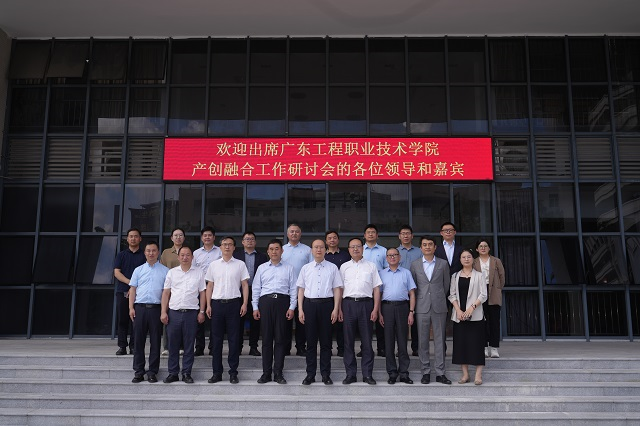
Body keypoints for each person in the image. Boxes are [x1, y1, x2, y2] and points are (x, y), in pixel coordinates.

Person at [297, 239, 343, 385]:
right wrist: (300, 309)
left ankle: (325, 374)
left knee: (326, 342)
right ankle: (310, 374)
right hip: (309, 305)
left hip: (327, 306)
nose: (318, 250)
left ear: (325, 249)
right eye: (316, 247)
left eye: (321, 247)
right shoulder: (305, 268)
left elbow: (337, 289)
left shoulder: (333, 268)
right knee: (310, 343)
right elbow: (301, 290)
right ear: (311, 250)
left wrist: (336, 308)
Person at [205, 236, 250, 384]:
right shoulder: (213, 265)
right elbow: (209, 286)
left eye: (230, 244)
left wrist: (244, 303)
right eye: (224, 244)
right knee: (216, 340)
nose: (227, 247)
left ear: (234, 248)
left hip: (234, 304)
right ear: (220, 247)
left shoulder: (240, 264)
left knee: (234, 339)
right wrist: (208, 305)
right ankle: (216, 373)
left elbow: (244, 285)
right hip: (217, 304)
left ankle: (233, 372)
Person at [252, 239, 297, 384]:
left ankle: (278, 373)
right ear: (268, 251)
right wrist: (255, 307)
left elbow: (293, 289)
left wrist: (292, 307)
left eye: (277, 248)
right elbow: (256, 288)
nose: (274, 251)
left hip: (283, 303)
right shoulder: (262, 268)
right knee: (266, 340)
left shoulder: (289, 268)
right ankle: (266, 373)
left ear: (282, 251)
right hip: (265, 303)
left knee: (280, 339)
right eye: (271, 249)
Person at [161, 246, 206, 384]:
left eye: (188, 255)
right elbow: (166, 293)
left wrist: (202, 311)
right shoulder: (172, 272)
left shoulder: (199, 272)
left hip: (191, 313)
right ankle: (173, 373)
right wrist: (163, 311)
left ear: (192, 257)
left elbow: (202, 293)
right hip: (174, 312)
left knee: (189, 345)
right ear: (178, 257)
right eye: (182, 255)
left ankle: (186, 373)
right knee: (173, 345)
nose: (185, 257)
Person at [339, 237, 382, 385]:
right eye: (352, 247)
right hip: (348, 304)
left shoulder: (371, 266)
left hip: (366, 305)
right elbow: (339, 289)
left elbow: (376, 289)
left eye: (358, 246)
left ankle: (367, 374)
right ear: (349, 250)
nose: (355, 249)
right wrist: (339, 308)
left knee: (367, 341)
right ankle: (350, 374)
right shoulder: (344, 267)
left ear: (363, 249)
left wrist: (375, 309)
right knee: (348, 341)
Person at [410, 236, 452, 385]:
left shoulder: (443, 264)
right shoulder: (414, 265)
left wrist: (438, 296)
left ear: (435, 247)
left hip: (439, 305)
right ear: (421, 248)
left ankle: (440, 373)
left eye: (430, 244)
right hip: (421, 306)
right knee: (423, 341)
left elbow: (446, 285)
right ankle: (425, 372)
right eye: (424, 245)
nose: (427, 247)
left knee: (440, 340)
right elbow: (413, 286)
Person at [128, 241, 169, 383]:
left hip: (156, 309)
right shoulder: (138, 270)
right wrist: (131, 308)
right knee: (138, 341)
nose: (151, 253)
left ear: (158, 252)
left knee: (155, 341)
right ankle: (138, 371)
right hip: (140, 308)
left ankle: (152, 372)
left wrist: (164, 311)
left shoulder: (165, 271)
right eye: (148, 251)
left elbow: (166, 293)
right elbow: (133, 289)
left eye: (154, 250)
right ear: (145, 253)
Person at [449, 249, 487, 385]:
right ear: (460, 260)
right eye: (463, 257)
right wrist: (458, 310)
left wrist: (472, 308)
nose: (466, 259)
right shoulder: (455, 276)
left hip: (475, 315)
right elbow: (452, 295)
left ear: (473, 259)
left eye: (469, 257)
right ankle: (465, 375)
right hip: (459, 316)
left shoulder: (480, 275)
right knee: (461, 345)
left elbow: (483, 295)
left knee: (477, 344)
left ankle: (478, 375)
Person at [379, 247, 416, 384]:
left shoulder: (406, 273)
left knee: (402, 341)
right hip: (387, 307)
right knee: (388, 342)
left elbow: (412, 294)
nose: (392, 257)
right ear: (386, 258)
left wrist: (411, 312)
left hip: (402, 308)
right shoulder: (381, 273)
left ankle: (404, 373)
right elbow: (378, 294)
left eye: (395, 255)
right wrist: (379, 313)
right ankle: (392, 373)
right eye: (390, 255)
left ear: (399, 257)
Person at [234, 231, 269, 356]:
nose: (249, 241)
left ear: (255, 242)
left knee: (255, 320)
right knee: (239, 320)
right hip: (239, 291)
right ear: (242, 242)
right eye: (247, 239)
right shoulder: (236, 255)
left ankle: (253, 347)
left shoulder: (262, 257)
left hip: (256, 291)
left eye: (252, 239)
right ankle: (238, 347)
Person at [113, 228, 145, 356]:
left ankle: (133, 346)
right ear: (127, 239)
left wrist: (135, 287)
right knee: (122, 320)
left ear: (140, 239)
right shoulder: (121, 255)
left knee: (135, 321)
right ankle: (122, 346)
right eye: (131, 236)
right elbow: (117, 272)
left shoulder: (144, 255)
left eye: (136, 236)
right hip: (122, 291)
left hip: (139, 293)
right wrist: (131, 283)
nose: (133, 238)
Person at [282, 223, 313, 356]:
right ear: (287, 234)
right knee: (286, 320)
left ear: (300, 234)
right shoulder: (281, 250)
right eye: (292, 231)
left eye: (297, 231)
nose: (294, 234)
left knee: (302, 320)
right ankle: (285, 347)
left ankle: (301, 347)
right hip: (285, 291)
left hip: (302, 290)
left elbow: (312, 269)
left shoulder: (307, 250)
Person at [473, 238, 505, 359]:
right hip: (479, 293)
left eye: (485, 246)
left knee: (494, 321)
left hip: (494, 292)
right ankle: (484, 347)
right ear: (477, 249)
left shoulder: (496, 261)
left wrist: (497, 288)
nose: (483, 248)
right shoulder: (474, 262)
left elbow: (502, 277)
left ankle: (494, 347)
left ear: (489, 248)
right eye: (480, 246)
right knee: (482, 321)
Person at [193, 226, 221, 356]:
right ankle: (199, 347)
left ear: (214, 237)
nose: (207, 237)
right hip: (200, 288)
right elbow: (193, 271)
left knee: (214, 319)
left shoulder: (220, 252)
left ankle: (212, 347)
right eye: (205, 235)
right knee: (200, 317)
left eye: (210, 235)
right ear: (201, 238)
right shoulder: (196, 253)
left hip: (216, 287)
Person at [362, 223, 387, 357]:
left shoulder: (383, 251)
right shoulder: (360, 250)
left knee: (380, 320)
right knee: (364, 321)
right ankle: (364, 348)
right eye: (368, 232)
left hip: (380, 289)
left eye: (373, 232)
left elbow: (387, 270)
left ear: (377, 235)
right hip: (364, 291)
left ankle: (381, 348)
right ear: (364, 235)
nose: (370, 234)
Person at [160, 227, 186, 355]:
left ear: (184, 238)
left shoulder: (187, 251)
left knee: (182, 318)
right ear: (171, 238)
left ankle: (181, 346)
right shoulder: (166, 253)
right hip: (169, 288)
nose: (178, 237)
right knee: (167, 316)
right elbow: (162, 270)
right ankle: (166, 346)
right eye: (176, 235)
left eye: (180, 235)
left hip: (184, 289)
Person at [324, 230, 350, 357]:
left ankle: (341, 348)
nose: (332, 240)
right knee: (327, 323)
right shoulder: (322, 256)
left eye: (334, 238)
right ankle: (327, 348)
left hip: (343, 292)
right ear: (326, 241)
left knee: (341, 321)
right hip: (327, 294)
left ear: (338, 240)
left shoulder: (346, 255)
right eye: (329, 238)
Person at [397, 224, 422, 356]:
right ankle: (401, 349)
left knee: (416, 321)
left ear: (412, 236)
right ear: (399, 236)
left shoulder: (419, 252)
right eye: (403, 233)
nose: (405, 236)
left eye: (408, 233)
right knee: (401, 323)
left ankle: (416, 348)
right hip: (400, 292)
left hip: (417, 291)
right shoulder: (395, 252)